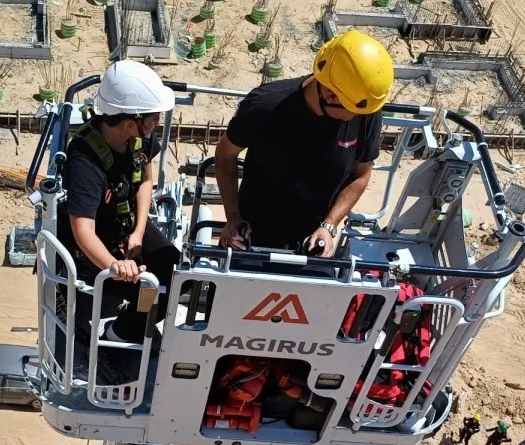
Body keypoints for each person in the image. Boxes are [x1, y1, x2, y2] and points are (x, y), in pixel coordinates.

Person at [214, 30, 392, 257]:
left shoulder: (364, 111)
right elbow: (225, 155)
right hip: (250, 236)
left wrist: (329, 225)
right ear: (330, 95)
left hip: (311, 242)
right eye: (354, 111)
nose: (359, 117)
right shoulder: (265, 107)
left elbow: (361, 174)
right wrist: (233, 217)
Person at [58, 60, 180, 344]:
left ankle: (124, 328)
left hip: (125, 229)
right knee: (151, 291)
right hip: (96, 246)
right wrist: (116, 265)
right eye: (153, 118)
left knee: (175, 271)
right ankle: (118, 337)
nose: (157, 124)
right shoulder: (85, 162)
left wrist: (137, 236)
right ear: (129, 123)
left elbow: (145, 180)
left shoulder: (138, 140)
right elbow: (83, 231)